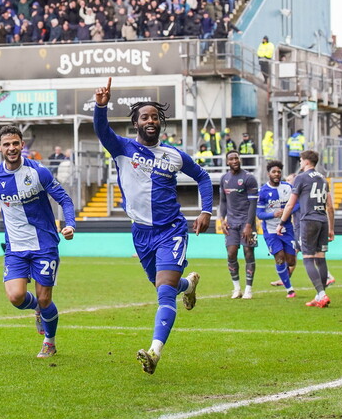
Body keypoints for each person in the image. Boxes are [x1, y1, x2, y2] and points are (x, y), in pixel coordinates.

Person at [93, 78, 211, 375]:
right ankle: (189, 285)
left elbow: (203, 177)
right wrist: (100, 107)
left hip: (172, 230)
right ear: (135, 123)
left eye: (155, 117)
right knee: (162, 284)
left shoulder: (174, 155)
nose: (150, 121)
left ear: (161, 123)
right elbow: (102, 130)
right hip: (141, 232)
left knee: (164, 292)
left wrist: (206, 211)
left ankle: (154, 352)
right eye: (144, 117)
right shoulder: (122, 147)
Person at [0, 125, 76, 359]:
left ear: (22, 145)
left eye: (15, 143)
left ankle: (50, 342)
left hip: (44, 244)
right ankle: (37, 309)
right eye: (7, 144)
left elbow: (64, 199)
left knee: (45, 298)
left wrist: (70, 224)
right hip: (15, 247)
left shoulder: (39, 172)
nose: (12, 148)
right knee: (16, 297)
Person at [278, 150, 334, 308]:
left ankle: (321, 295)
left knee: (308, 259)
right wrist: (331, 228)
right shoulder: (323, 178)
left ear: (307, 161)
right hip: (323, 220)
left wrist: (281, 222)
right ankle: (319, 296)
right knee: (321, 259)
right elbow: (330, 207)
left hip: (308, 220)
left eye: (301, 160)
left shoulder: (301, 178)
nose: (300, 163)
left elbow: (290, 204)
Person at [218, 151, 259, 299]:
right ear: (227, 162)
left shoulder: (249, 178)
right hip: (231, 223)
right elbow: (223, 201)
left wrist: (249, 225)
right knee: (231, 253)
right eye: (231, 159)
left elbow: (253, 204)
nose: (234, 160)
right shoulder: (224, 179)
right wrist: (222, 219)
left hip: (247, 222)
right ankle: (236, 288)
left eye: (236, 158)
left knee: (248, 252)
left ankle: (248, 289)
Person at [258, 160, 297, 297]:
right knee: (279, 258)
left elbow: (297, 204)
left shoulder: (288, 187)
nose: (276, 174)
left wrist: (287, 212)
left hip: (287, 229)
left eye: (279, 172)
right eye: (274, 172)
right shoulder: (263, 191)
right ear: (268, 174)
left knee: (291, 261)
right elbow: (259, 214)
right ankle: (289, 289)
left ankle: (284, 276)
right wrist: (273, 214)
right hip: (271, 231)